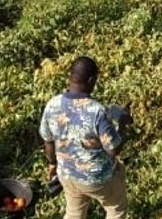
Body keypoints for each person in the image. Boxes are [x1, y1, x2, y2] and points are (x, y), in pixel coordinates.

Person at [39, 56, 130, 219]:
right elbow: (113, 149)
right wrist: (122, 125)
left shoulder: (52, 104)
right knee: (117, 209)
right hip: (98, 178)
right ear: (91, 80)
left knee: (74, 213)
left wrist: (53, 164)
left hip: (67, 175)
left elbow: (48, 141)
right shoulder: (96, 111)